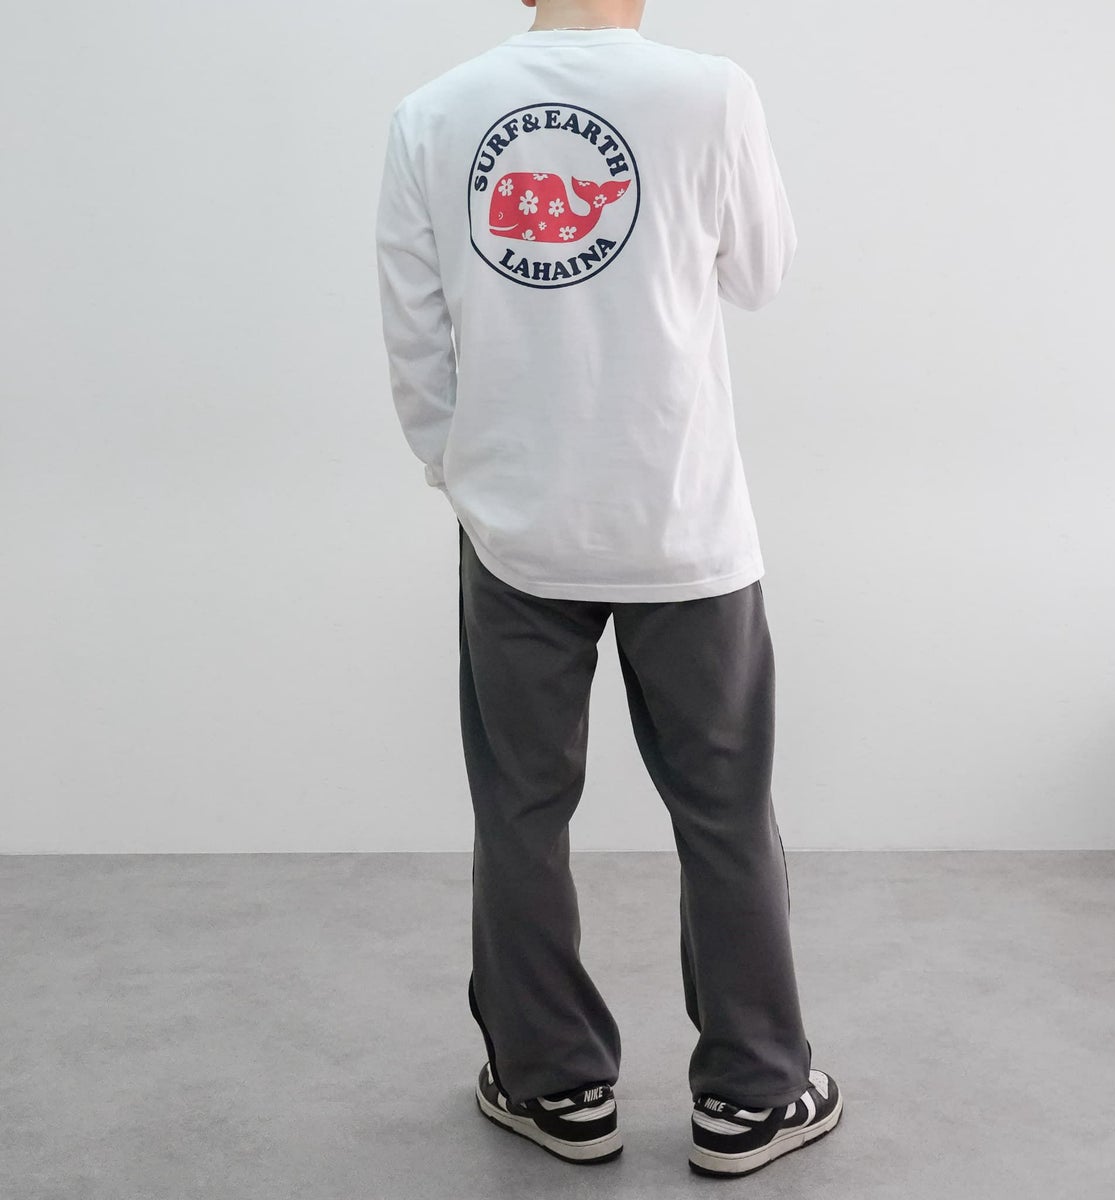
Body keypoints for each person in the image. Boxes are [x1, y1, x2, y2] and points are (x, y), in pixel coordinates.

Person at [374, 0, 843, 1178]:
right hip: (681, 520)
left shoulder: (433, 114)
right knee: (724, 808)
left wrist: (462, 474)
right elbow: (763, 273)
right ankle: (753, 1094)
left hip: (518, 528)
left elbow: (414, 332)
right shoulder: (710, 92)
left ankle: (552, 1085)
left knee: (520, 811)